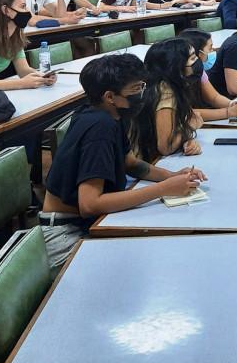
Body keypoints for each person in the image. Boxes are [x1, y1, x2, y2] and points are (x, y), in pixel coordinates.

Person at [40, 54, 207, 277]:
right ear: (110, 96)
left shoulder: (109, 115)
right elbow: (89, 204)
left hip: (84, 222)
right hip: (64, 233)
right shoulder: (100, 127)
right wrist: (163, 189)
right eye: (136, 89)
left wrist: (171, 176)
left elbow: (131, 163)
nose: (142, 94)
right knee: (145, 267)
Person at [130, 38, 206, 163]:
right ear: (176, 66)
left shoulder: (173, 85)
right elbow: (165, 147)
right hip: (144, 167)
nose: (197, 62)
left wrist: (187, 140)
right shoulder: (165, 92)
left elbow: (184, 121)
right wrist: (191, 126)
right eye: (192, 58)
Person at [178, 28, 237, 122]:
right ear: (196, 52)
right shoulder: (177, 76)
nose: (213, 51)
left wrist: (232, 104)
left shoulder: (199, 72)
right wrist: (229, 112)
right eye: (210, 48)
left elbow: (214, 98)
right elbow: (186, 113)